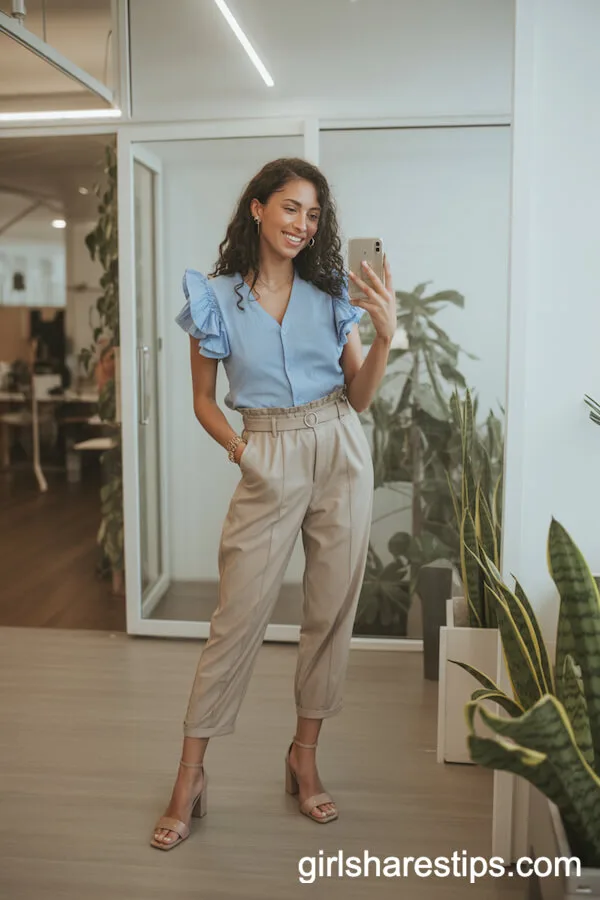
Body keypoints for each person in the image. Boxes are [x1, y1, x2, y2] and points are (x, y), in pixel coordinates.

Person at [151, 157, 396, 850]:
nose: (302, 224)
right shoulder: (214, 298)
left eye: (313, 214)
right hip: (267, 450)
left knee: (329, 613)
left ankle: (304, 760)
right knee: (236, 618)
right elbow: (202, 400)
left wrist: (385, 335)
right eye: (290, 208)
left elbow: (362, 396)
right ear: (257, 209)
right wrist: (244, 451)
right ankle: (189, 776)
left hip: (340, 445)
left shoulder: (331, 294)